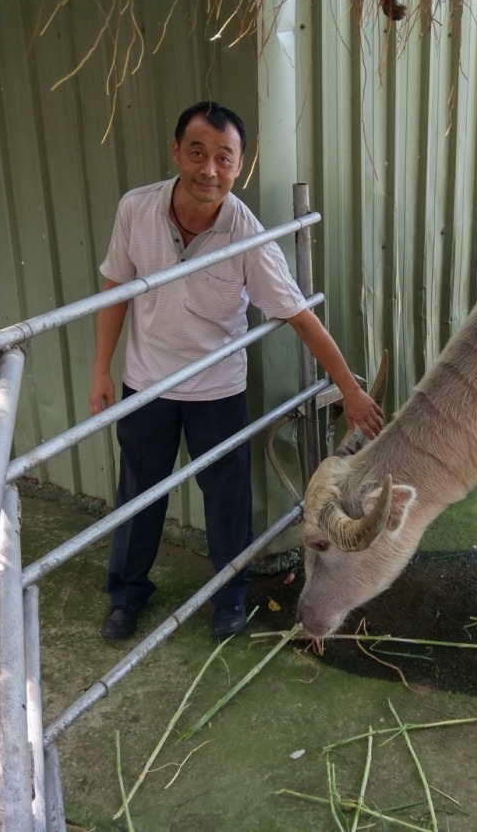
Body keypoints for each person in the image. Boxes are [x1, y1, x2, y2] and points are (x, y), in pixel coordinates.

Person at [89, 101, 384, 642]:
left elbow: (300, 316)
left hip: (216, 389)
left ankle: (228, 597)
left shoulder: (244, 231)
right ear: (176, 151)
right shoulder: (136, 210)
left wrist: (351, 390)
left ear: (239, 167)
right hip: (146, 382)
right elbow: (115, 291)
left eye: (224, 158)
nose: (209, 169)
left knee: (226, 499)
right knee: (140, 492)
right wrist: (100, 371)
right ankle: (126, 594)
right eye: (197, 153)